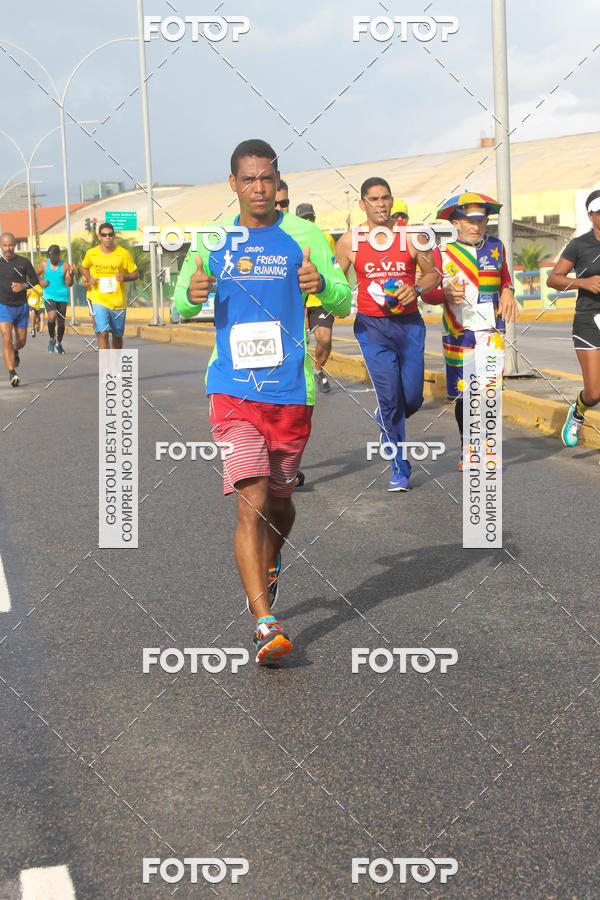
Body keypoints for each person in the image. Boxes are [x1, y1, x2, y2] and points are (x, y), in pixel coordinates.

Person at [173, 139, 351, 664]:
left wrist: (322, 285)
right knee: (250, 501)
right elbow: (183, 304)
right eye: (247, 179)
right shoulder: (213, 239)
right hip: (232, 390)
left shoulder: (306, 236)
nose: (258, 187)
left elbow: (345, 298)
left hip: (292, 392)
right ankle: (264, 623)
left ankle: (272, 559)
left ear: (278, 183)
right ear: (233, 184)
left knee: (279, 501)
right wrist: (195, 291)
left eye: (266, 179)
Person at [336, 177, 440, 491]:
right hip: (372, 327)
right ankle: (400, 469)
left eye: (385, 198)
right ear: (362, 204)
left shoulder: (413, 238)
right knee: (391, 398)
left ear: (392, 201)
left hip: (409, 326)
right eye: (373, 199)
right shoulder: (349, 242)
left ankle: (387, 415)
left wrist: (417, 288)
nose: (380, 204)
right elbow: (334, 282)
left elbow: (433, 273)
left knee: (411, 398)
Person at [422, 193, 518, 469]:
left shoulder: (497, 247)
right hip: (458, 333)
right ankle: (468, 446)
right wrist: (443, 294)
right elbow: (426, 294)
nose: (476, 226)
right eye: (469, 220)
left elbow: (505, 279)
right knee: (465, 394)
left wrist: (509, 291)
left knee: (489, 391)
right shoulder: (441, 253)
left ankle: (488, 446)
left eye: (481, 220)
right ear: (456, 222)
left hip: (491, 332)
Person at [547, 189, 600, 448]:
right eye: (599, 211)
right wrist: (584, 283)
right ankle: (578, 412)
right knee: (595, 392)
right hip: (589, 320)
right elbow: (553, 279)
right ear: (590, 215)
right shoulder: (579, 245)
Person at [296, 202, 337, 393]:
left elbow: (334, 267)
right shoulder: (289, 238)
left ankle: (318, 370)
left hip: (319, 299)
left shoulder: (326, 238)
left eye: (310, 218)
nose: (308, 221)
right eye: (304, 218)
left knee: (325, 340)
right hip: (296, 300)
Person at [79, 224, 138, 349]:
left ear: (114, 236)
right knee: (102, 333)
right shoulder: (92, 253)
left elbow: (135, 273)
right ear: (99, 236)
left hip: (118, 301)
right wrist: (90, 279)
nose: (108, 237)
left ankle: (115, 366)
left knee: (117, 336)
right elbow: (83, 267)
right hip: (98, 299)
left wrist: (125, 278)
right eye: (104, 235)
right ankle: (106, 368)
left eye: (110, 234)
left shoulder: (123, 253)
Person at [0, 232, 39, 386]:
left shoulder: (23, 262)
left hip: (21, 307)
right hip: (3, 307)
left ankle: (15, 350)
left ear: (14, 245)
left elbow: (35, 279)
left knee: (21, 341)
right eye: (4, 245)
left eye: (10, 245)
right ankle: (12, 374)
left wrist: (24, 285)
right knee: (6, 338)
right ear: (1, 246)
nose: (8, 248)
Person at [36, 244, 75, 354]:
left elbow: (69, 283)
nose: (52, 259)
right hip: (49, 295)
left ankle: (59, 343)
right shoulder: (44, 264)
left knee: (61, 323)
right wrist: (41, 281)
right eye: (50, 257)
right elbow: (34, 274)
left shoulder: (65, 266)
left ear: (59, 255)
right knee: (52, 317)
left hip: (62, 297)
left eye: (54, 256)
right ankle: (51, 339)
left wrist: (71, 275)